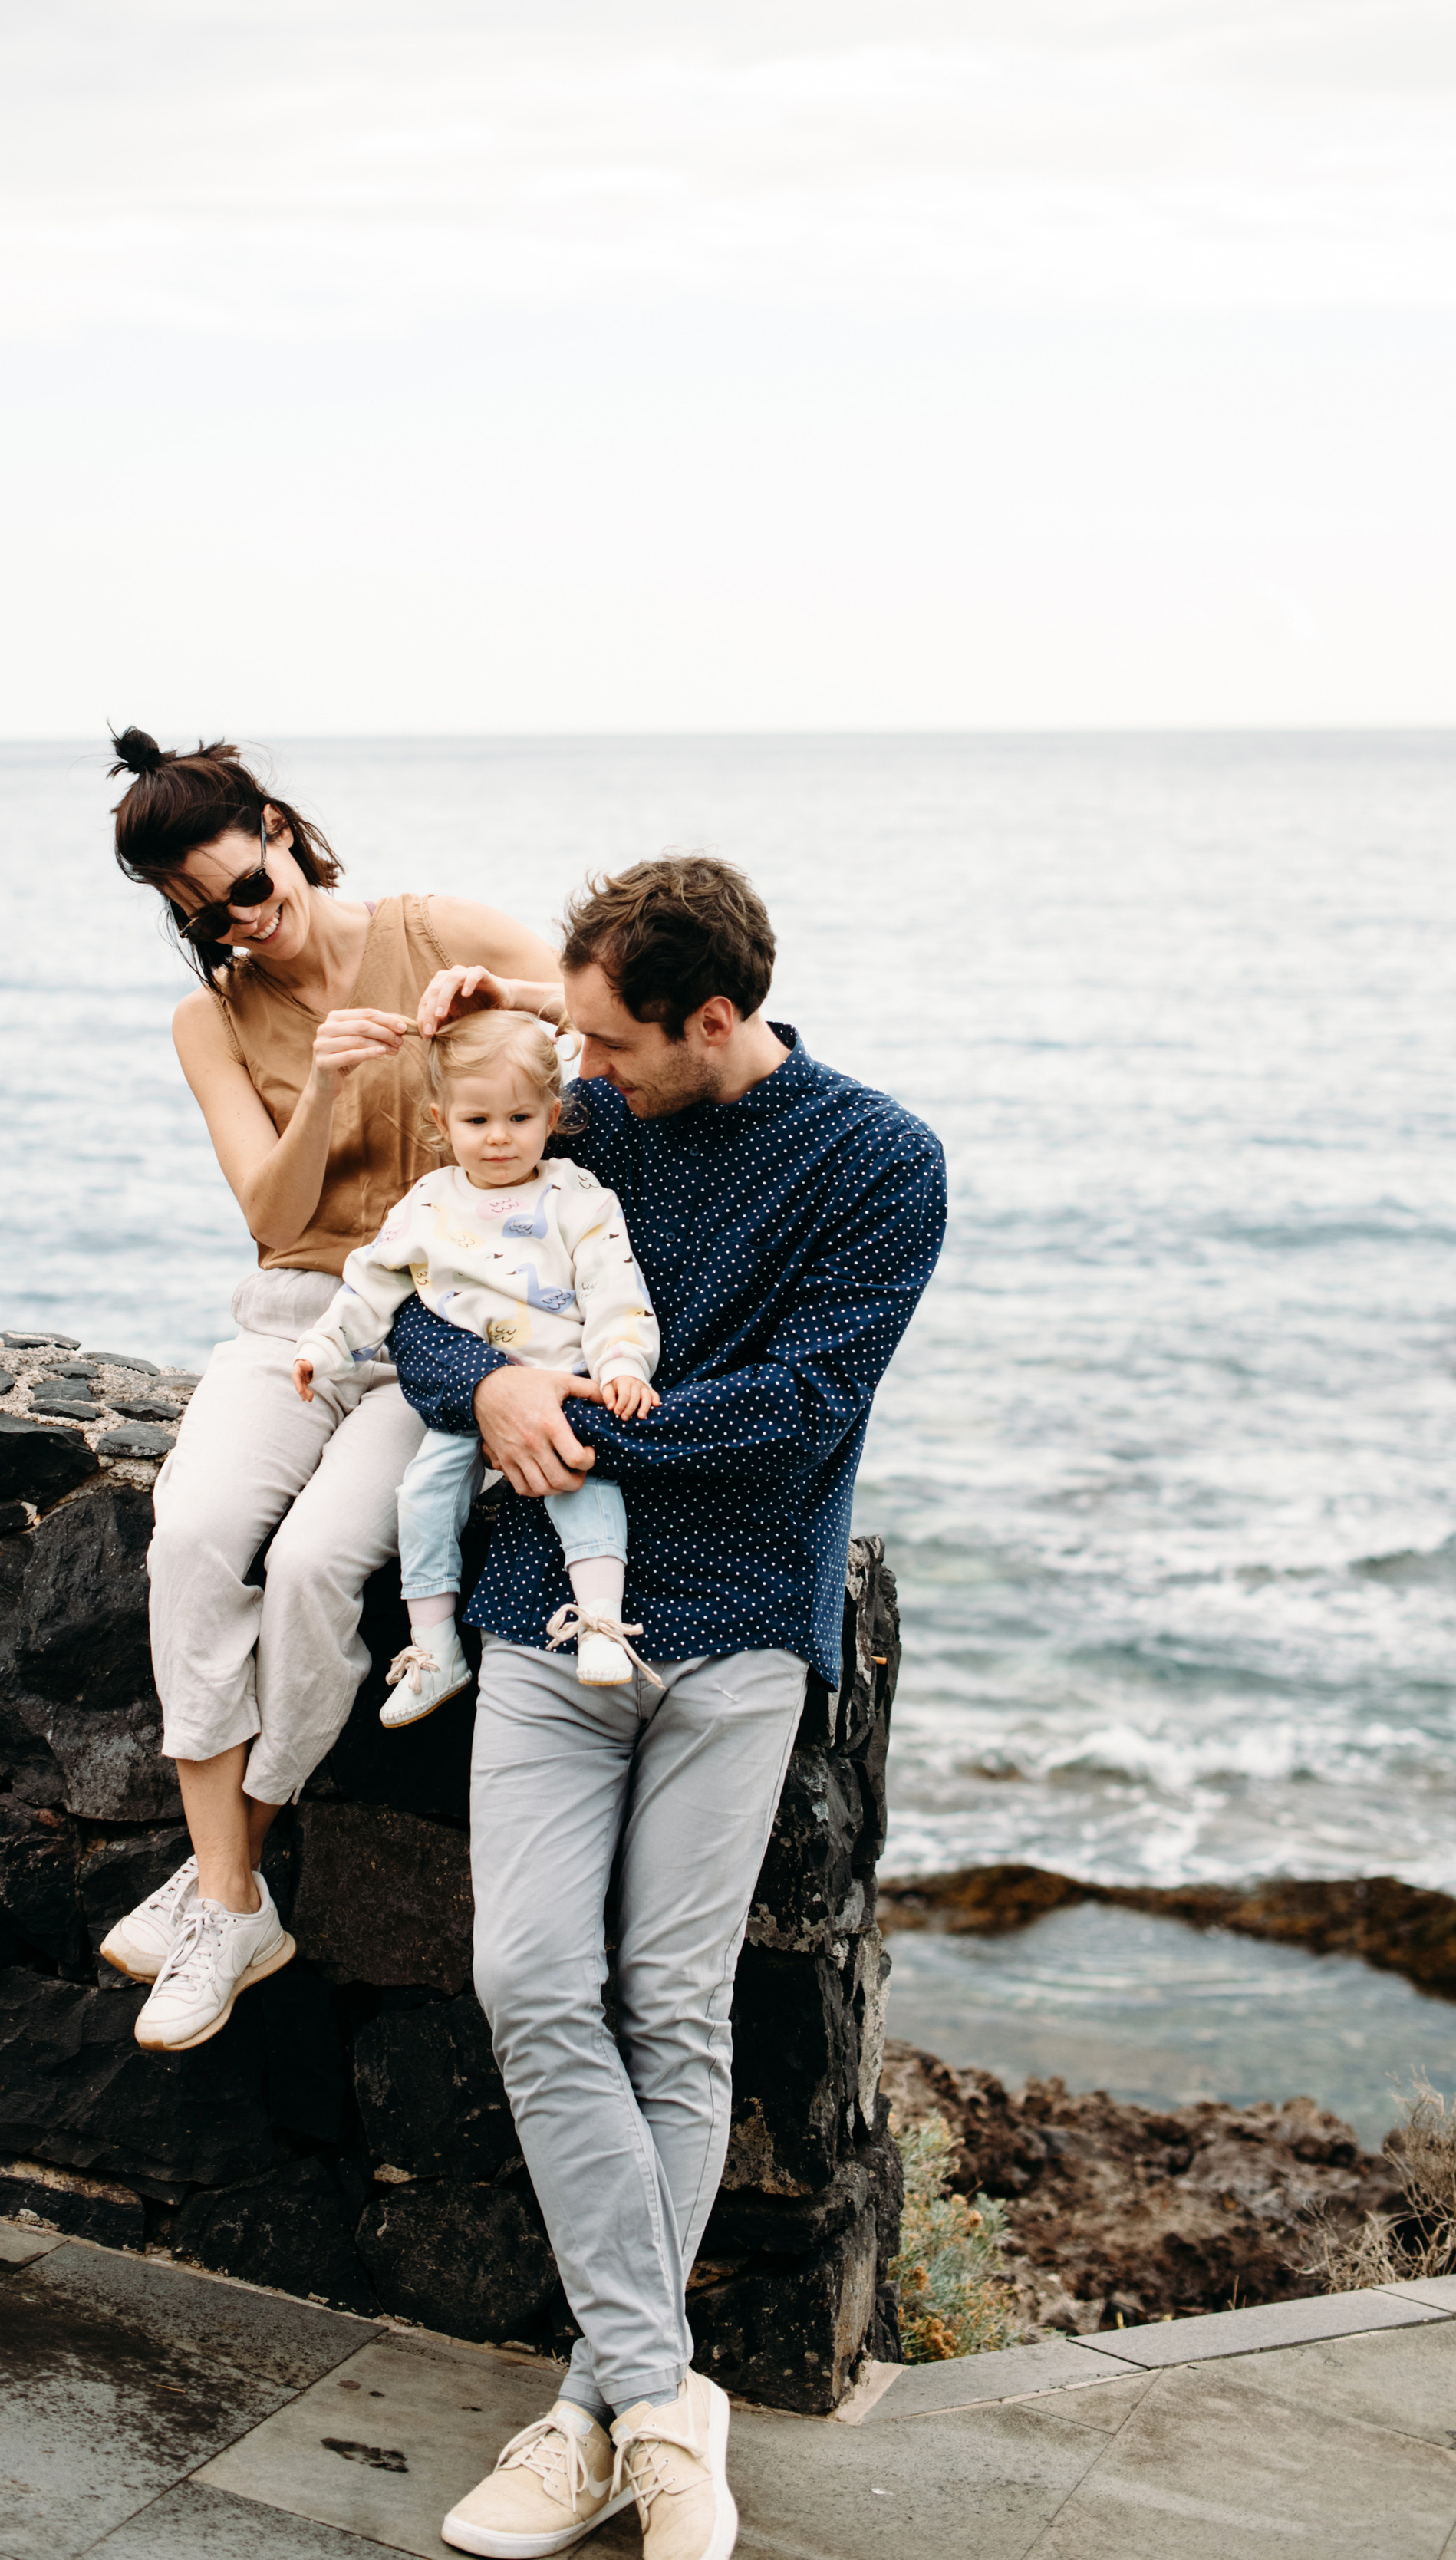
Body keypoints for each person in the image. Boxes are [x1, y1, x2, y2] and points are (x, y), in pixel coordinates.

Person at [386, 856, 946, 2560]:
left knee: (671, 2009)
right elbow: (421, 1301)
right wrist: (487, 1383)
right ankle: (655, 2405)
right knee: (528, 1979)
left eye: (609, 1045)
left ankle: (586, 2409)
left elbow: (797, 1412)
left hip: (741, 1634)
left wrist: (575, 1427)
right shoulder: (594, 1124)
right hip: (539, 1618)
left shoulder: (877, 1164)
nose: (578, 1079)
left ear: (715, 1020)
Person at [96, 730, 562, 2054]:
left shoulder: (429, 927)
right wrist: (332, 1093)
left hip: (448, 1329)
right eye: (203, 917)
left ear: (284, 831)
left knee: (313, 1571)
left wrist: (506, 992)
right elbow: (270, 1211)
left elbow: (599, 1014)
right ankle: (237, 1897)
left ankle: (219, 1871)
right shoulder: (213, 1018)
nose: (242, 926)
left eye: (248, 887)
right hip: (297, 1317)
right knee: (190, 1537)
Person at [292, 1007, 662, 1728]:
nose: (498, 1137)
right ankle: (434, 1651)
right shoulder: (429, 1203)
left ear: (552, 1116)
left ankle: (600, 1624)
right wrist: (322, 1349)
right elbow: (371, 1285)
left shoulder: (577, 1196)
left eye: (520, 1118)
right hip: (470, 1400)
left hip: (566, 1385)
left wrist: (624, 1364)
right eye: (477, 1120)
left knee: (581, 1478)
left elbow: (616, 1291)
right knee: (422, 1495)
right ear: (441, 1120)